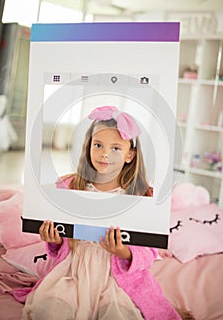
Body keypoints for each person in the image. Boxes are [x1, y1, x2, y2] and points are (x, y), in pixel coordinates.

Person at [15, 106, 194, 320]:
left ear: (130, 155)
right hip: (73, 269)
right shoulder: (69, 186)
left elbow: (149, 251)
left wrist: (123, 252)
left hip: (115, 277)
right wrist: (53, 239)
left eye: (116, 148)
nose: (105, 154)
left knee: (117, 314)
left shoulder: (143, 196)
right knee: (52, 310)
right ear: (88, 146)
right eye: (98, 145)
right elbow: (60, 240)